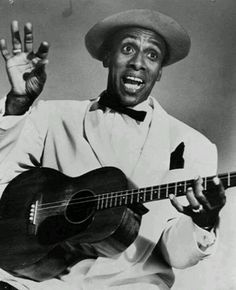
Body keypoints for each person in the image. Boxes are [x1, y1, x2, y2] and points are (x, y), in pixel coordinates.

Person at [0, 9, 226, 290]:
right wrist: (17, 105)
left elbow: (175, 255)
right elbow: (4, 180)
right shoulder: (51, 116)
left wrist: (204, 221)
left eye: (152, 55)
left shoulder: (195, 146)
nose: (138, 63)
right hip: (39, 282)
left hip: (132, 285)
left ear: (160, 73)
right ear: (107, 57)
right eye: (128, 48)